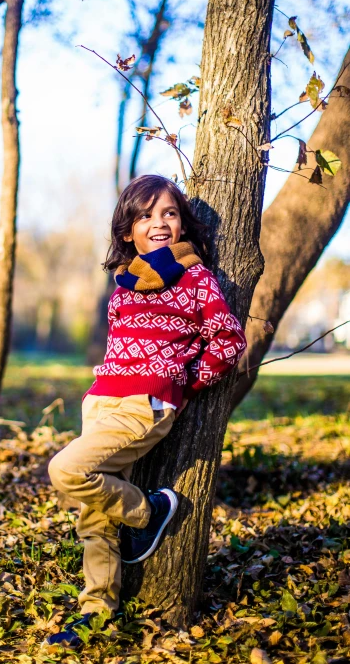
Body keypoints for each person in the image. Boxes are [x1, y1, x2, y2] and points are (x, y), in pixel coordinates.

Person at [46, 174, 247, 648]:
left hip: (144, 404)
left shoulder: (196, 277)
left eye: (169, 213)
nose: (159, 223)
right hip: (102, 400)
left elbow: (228, 340)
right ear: (127, 231)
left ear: (182, 225)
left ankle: (151, 511)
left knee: (66, 470)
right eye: (146, 215)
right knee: (93, 515)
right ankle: (97, 608)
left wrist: (181, 384)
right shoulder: (124, 284)